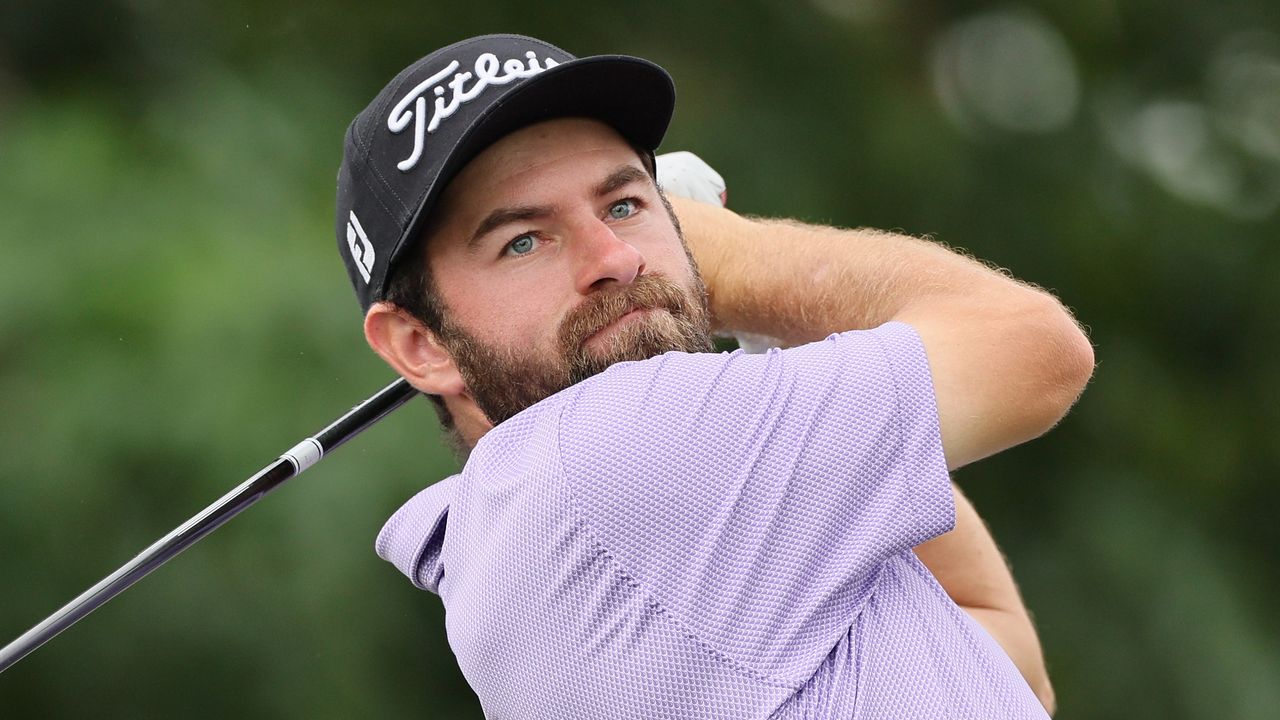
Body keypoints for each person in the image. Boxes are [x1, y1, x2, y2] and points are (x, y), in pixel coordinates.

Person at [335, 34, 1092, 719]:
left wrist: (763, 337)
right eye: (524, 241)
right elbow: (1034, 350)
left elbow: (1001, 653)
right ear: (419, 344)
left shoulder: (529, 537)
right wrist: (732, 258)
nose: (615, 259)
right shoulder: (606, 452)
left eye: (625, 203)